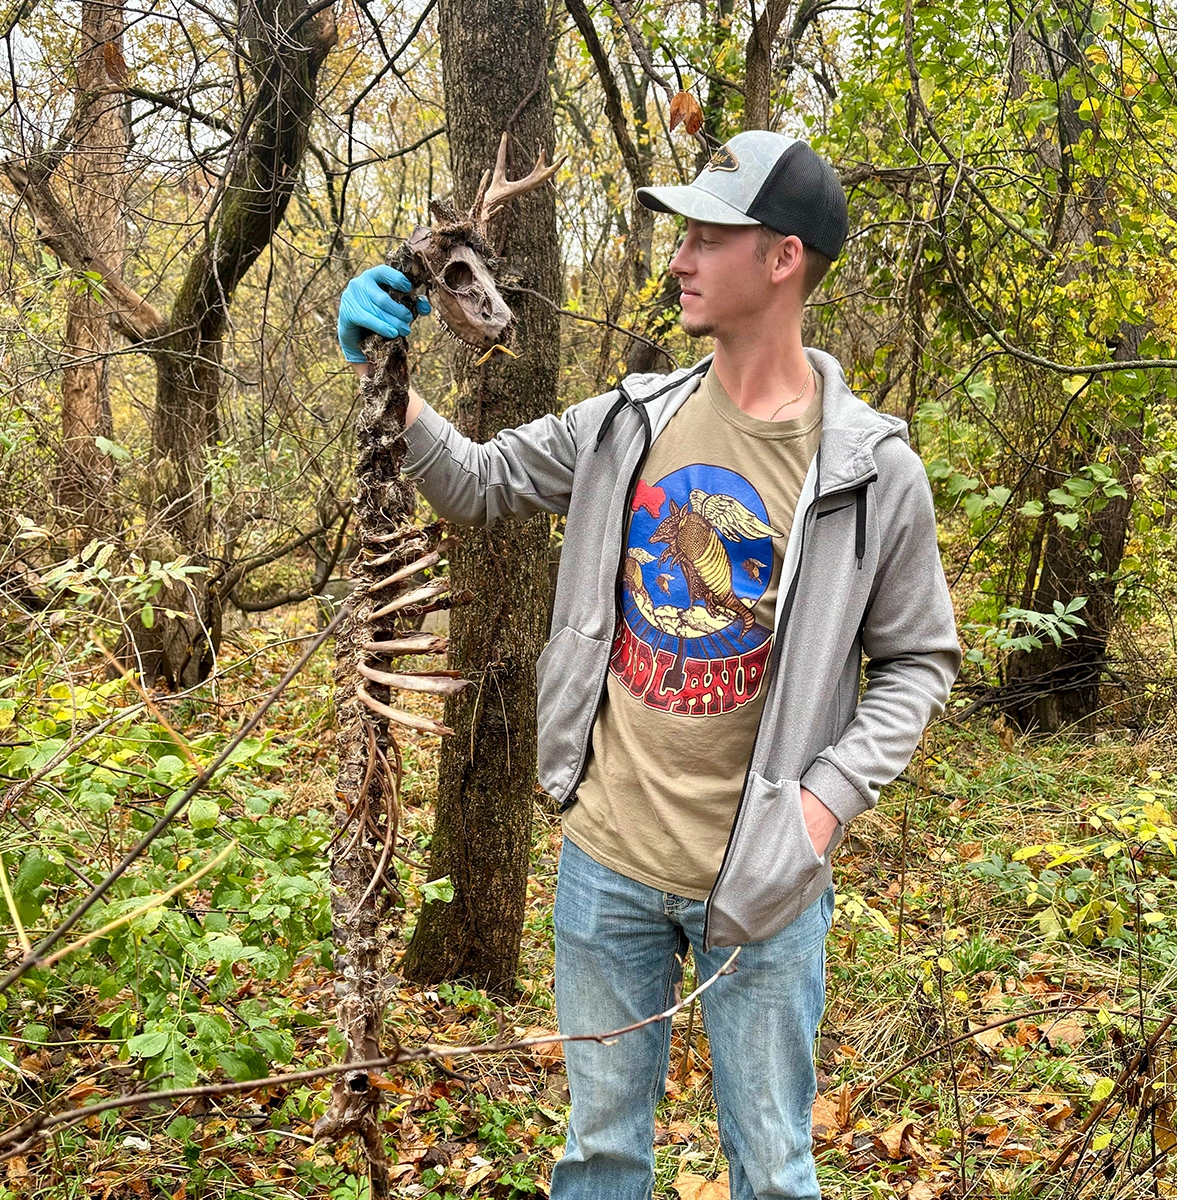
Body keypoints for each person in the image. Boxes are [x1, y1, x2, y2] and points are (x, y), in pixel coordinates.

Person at [337, 129, 962, 1200]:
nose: (680, 258)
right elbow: (481, 482)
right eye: (683, 234)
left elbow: (919, 662)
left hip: (764, 887)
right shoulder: (631, 420)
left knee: (771, 1170)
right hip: (607, 864)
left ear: (783, 259)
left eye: (710, 236)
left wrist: (821, 807)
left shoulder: (872, 471)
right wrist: (387, 378)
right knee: (599, 1157)